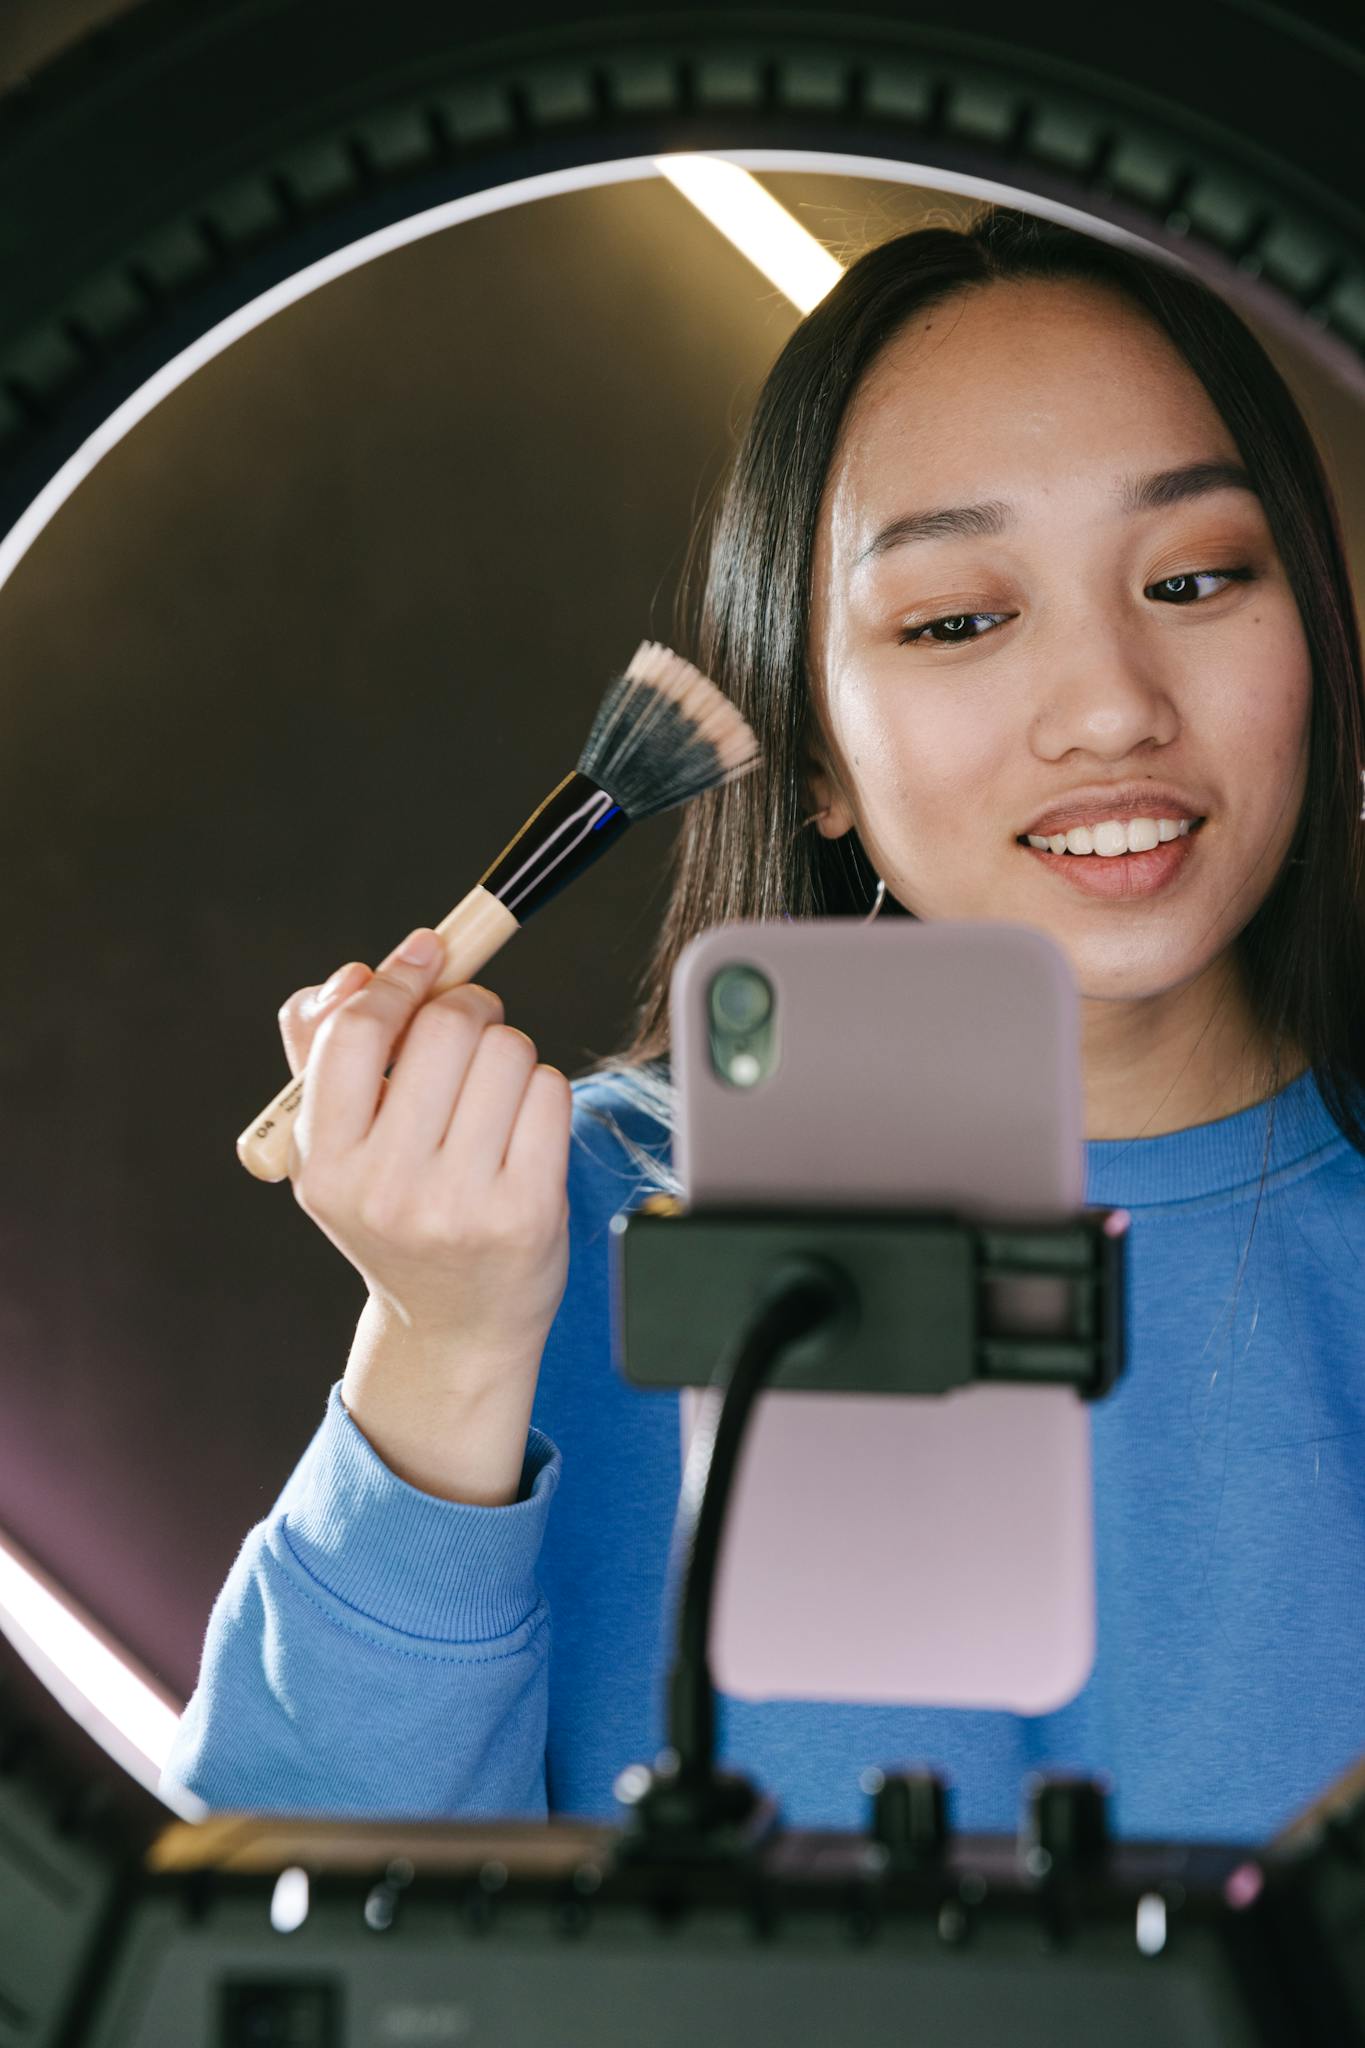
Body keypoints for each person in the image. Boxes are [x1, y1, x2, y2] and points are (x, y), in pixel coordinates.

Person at [163, 205, 1365, 1843]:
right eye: (956, 619)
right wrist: (441, 1346)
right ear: (808, 756)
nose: (1110, 707)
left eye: (1194, 577)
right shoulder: (567, 1229)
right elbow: (261, 1915)